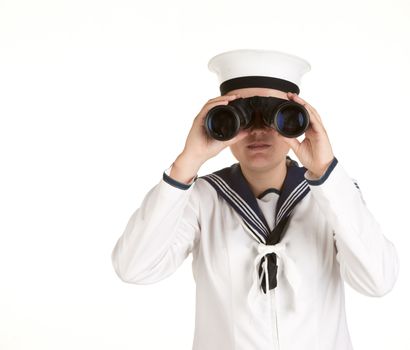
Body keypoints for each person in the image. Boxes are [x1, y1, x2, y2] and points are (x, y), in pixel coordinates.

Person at [111, 49, 399, 350]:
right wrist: (186, 164)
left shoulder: (333, 195)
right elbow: (133, 268)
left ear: (298, 120)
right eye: (243, 116)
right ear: (220, 119)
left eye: (274, 116)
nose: (258, 131)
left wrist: (326, 173)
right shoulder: (201, 199)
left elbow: (378, 281)